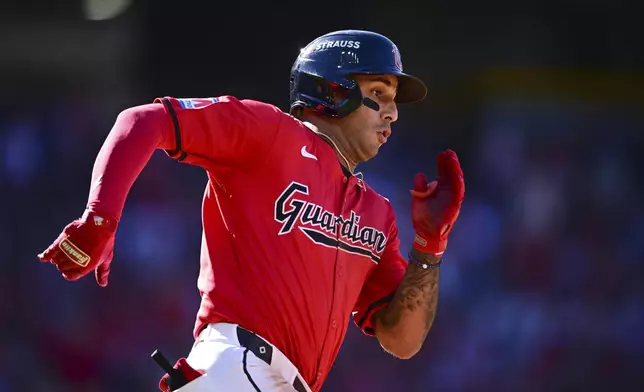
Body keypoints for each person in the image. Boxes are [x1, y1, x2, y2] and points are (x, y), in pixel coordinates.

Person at [37, 29, 465, 392]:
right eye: (377, 93)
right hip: (236, 367)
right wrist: (101, 217)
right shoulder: (270, 132)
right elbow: (143, 121)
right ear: (332, 90)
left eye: (392, 100)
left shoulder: (378, 213)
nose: (392, 112)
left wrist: (430, 246)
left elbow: (401, 340)